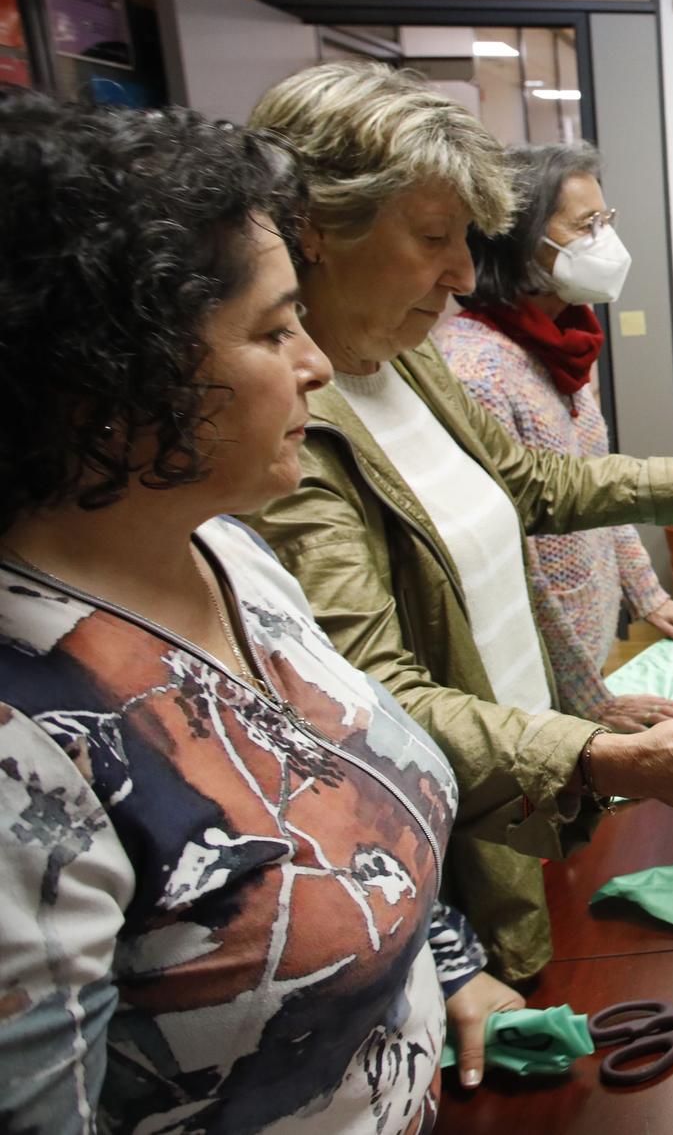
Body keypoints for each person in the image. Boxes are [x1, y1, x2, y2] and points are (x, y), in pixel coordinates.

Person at [0, 93, 527, 1129]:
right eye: (274, 328)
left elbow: (346, 781)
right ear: (118, 378)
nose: (315, 364)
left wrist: (446, 964)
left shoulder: (228, 551)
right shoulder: (25, 752)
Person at [242, 61, 673, 984]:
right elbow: (377, 701)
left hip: (524, 770)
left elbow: (523, 482)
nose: (464, 274)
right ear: (316, 230)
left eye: (466, 238)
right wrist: (605, 755)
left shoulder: (404, 356)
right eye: (433, 238)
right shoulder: (291, 437)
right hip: (450, 828)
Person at [437, 142, 673, 736]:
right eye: (587, 224)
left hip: (586, 645)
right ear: (521, 238)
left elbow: (596, 484)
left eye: (606, 220)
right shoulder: (477, 370)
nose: (605, 239)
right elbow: (511, 561)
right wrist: (591, 701)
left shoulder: (559, 346)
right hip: (537, 672)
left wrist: (649, 595)